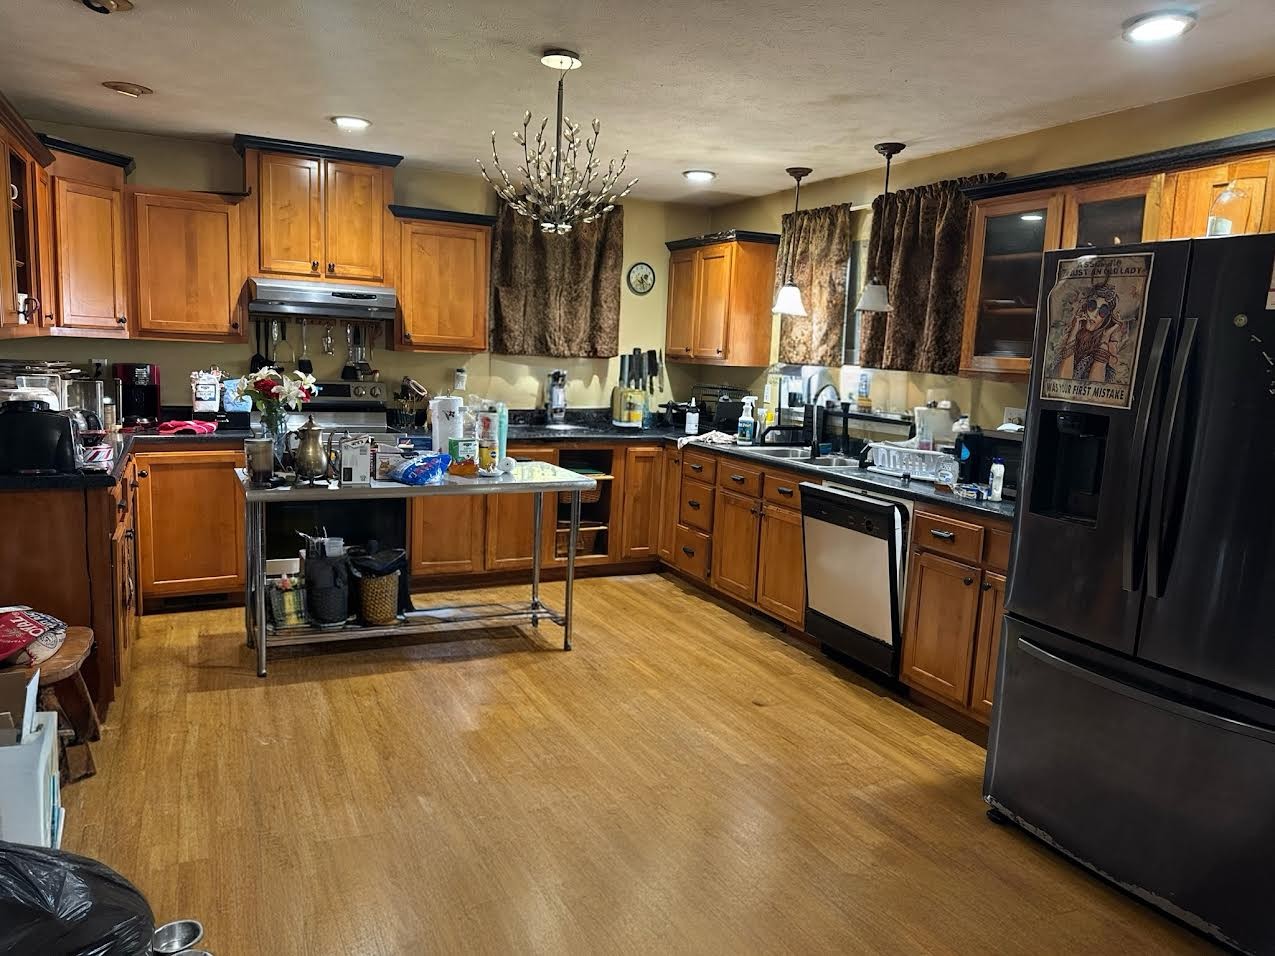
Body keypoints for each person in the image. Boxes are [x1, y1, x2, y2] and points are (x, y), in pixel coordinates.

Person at [1052, 283, 1125, 382]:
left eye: (1102, 312)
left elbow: (1095, 386)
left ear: (1107, 318)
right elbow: (1064, 380)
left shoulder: (1107, 348)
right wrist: (1074, 332)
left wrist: (1105, 337)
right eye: (1092, 306)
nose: (1094, 315)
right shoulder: (1070, 340)